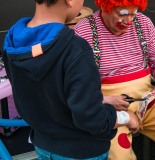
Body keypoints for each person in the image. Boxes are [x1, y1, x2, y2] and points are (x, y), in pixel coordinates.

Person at [1, 0, 140, 159]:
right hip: (82, 151)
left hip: (42, 144)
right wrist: (127, 117)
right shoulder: (77, 51)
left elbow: (49, 93)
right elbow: (91, 119)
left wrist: (100, 100)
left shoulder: (12, 42)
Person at [74, 0, 155, 159]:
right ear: (105, 6)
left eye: (133, 14)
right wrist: (104, 101)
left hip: (147, 103)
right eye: (122, 14)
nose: (128, 21)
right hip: (111, 112)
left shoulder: (143, 23)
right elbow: (77, 85)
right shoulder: (84, 31)